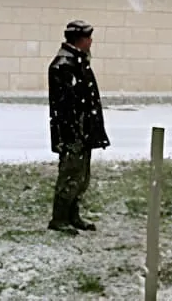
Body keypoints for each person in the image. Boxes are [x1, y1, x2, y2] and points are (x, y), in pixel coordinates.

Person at [47, 20, 110, 235]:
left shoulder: (78, 61)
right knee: (71, 175)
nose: (91, 41)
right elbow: (65, 107)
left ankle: (72, 215)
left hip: (83, 130)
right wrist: (74, 133)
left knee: (81, 177)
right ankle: (60, 217)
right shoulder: (64, 65)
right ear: (79, 40)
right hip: (73, 132)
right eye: (88, 37)